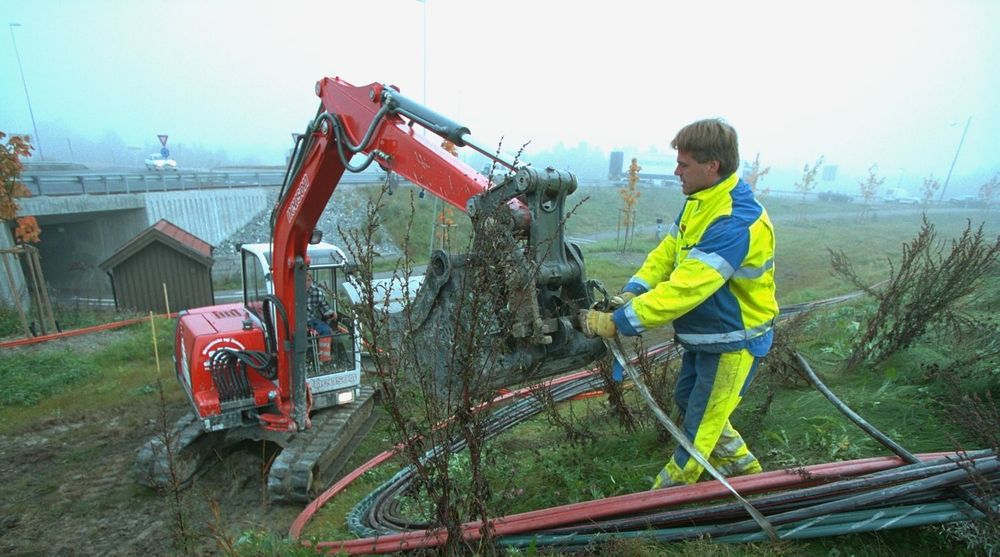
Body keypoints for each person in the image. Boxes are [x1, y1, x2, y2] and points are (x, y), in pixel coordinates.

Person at [580, 118, 778, 489]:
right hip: (708, 336)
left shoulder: (735, 221)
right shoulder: (700, 202)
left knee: (699, 429)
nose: (675, 172)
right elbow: (669, 252)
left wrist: (619, 321)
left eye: (683, 164)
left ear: (712, 166)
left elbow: (686, 288)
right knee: (690, 403)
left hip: (734, 341)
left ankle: (661, 503)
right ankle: (753, 479)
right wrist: (633, 290)